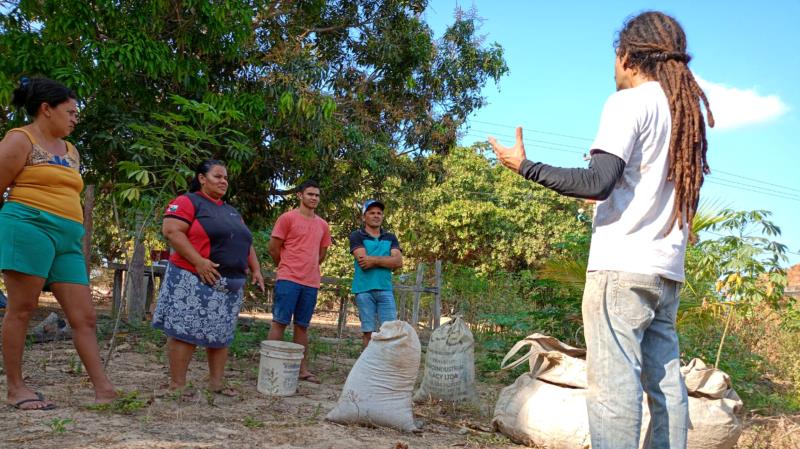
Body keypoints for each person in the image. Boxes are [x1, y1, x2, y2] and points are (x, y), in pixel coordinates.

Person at [488, 11, 714, 449]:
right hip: (666, 272)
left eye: (614, 59)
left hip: (621, 270)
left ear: (627, 56)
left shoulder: (629, 102)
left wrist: (525, 166)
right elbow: (636, 187)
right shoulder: (683, 113)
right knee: (666, 385)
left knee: (614, 389)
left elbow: (598, 180)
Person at [0, 77, 117, 409]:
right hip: (29, 227)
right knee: (22, 309)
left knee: (85, 317)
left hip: (67, 239)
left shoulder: (71, 151)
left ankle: (104, 390)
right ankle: (16, 388)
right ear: (46, 109)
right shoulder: (20, 139)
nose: (75, 118)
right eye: (71, 111)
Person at [152, 159, 265, 396]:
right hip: (193, 278)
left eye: (225, 178)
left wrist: (256, 269)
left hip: (228, 285)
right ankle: (177, 385)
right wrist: (199, 261)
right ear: (202, 178)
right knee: (185, 332)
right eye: (217, 176)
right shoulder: (188, 202)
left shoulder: (231, 211)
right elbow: (172, 231)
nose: (223, 181)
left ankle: (216, 384)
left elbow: (245, 241)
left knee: (221, 334)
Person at [267, 180, 331, 384]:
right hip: (288, 279)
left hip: (311, 282)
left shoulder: (323, 225)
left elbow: (322, 254)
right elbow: (273, 248)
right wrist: (286, 265)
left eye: (317, 195)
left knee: (302, 326)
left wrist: (308, 266)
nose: (314, 198)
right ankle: (269, 367)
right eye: (310, 194)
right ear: (300, 195)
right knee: (280, 322)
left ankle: (303, 370)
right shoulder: (287, 218)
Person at [348, 199, 403, 348]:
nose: (376, 215)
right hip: (364, 290)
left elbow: (398, 262)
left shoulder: (390, 237)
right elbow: (363, 263)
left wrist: (373, 260)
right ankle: (367, 362)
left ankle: (385, 362)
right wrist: (387, 261)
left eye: (379, 213)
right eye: (372, 213)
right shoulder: (356, 236)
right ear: (363, 217)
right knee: (369, 333)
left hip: (385, 289)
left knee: (390, 331)